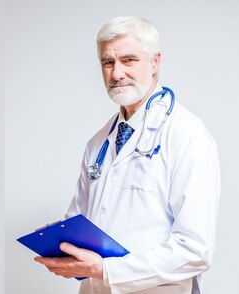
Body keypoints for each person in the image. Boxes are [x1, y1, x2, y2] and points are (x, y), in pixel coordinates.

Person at [34, 16, 220, 293]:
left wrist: (107, 270)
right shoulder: (98, 143)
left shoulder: (187, 135)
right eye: (108, 62)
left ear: (155, 62)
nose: (117, 73)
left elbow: (195, 250)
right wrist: (62, 245)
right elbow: (79, 220)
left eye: (129, 60)